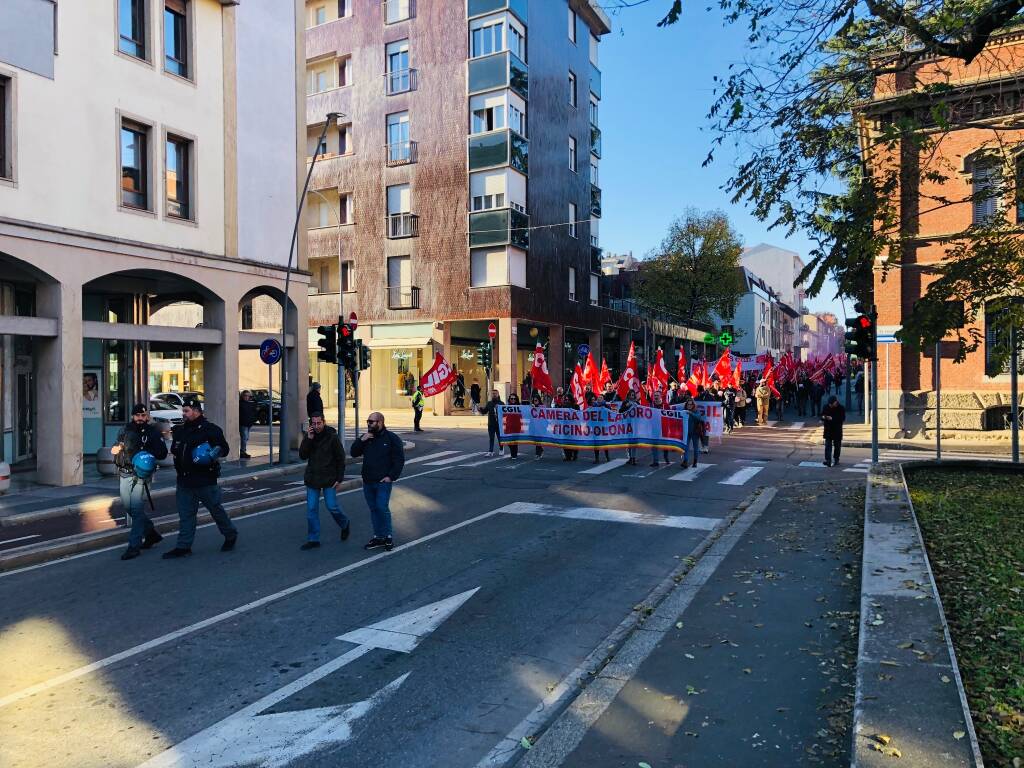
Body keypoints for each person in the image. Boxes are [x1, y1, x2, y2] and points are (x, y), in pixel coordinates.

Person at [162, 397, 236, 559]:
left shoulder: (210, 429)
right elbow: (175, 450)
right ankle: (184, 546)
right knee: (186, 515)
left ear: (197, 411)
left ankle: (230, 535)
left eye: (187, 411)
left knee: (216, 510)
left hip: (205, 480)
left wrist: (212, 454)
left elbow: (224, 448)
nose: (184, 414)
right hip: (184, 480)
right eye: (183, 411)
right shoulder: (180, 430)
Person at [114, 403, 169, 561]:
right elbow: (117, 447)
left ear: (147, 416)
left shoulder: (152, 431)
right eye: (137, 415)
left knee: (136, 508)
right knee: (128, 506)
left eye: (143, 415)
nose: (140, 418)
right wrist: (116, 451)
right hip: (125, 472)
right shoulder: (125, 430)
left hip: (142, 474)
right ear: (133, 416)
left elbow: (162, 453)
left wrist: (146, 454)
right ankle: (151, 534)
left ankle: (134, 546)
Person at [350, 412, 405, 551]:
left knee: (381, 507)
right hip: (368, 480)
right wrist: (362, 440)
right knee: (374, 509)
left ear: (380, 422)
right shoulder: (366, 437)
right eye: (368, 421)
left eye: (371, 422)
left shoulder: (391, 438)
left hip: (383, 481)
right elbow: (353, 452)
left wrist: (391, 477)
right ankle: (378, 536)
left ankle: (387, 536)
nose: (368, 424)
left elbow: (399, 459)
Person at [298, 412, 349, 549]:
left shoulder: (332, 437)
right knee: (311, 510)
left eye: (318, 423)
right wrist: (308, 439)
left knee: (332, 506)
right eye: (313, 424)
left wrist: (339, 478)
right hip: (313, 478)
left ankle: (344, 523)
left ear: (324, 422)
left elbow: (340, 458)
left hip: (329, 478)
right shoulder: (310, 436)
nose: (316, 426)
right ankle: (313, 539)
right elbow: (302, 455)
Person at [821, 395, 846, 466]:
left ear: (835, 402)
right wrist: (823, 417)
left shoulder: (841, 408)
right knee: (828, 446)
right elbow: (822, 415)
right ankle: (828, 460)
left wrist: (832, 418)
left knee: (837, 446)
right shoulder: (826, 407)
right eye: (830, 405)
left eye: (832, 404)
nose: (831, 406)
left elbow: (842, 418)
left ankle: (836, 459)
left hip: (837, 430)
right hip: (828, 429)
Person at [557, 387, 579, 461]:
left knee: (573, 442)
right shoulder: (562, 407)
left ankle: (575, 454)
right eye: (565, 400)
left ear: (571, 399)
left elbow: (579, 416)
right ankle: (568, 456)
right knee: (565, 441)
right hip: (565, 426)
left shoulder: (576, 406)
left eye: (567, 399)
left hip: (574, 427)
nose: (566, 401)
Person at [682, 400, 706, 468]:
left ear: (693, 405)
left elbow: (699, 417)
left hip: (695, 432)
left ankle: (695, 461)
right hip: (687, 432)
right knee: (686, 447)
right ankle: (685, 461)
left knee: (695, 447)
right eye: (688, 404)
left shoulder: (696, 411)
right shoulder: (684, 411)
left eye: (691, 404)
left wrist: (690, 413)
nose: (689, 406)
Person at [480, 389, 505, 456]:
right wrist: (481, 409)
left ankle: (501, 449)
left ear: (498, 394)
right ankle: (490, 451)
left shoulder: (501, 403)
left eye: (495, 394)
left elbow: (505, 414)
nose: (494, 395)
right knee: (491, 438)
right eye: (493, 394)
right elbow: (484, 412)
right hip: (491, 424)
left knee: (500, 438)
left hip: (499, 424)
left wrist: (499, 413)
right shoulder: (489, 403)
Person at [649, 391, 671, 466]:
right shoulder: (651, 405)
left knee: (665, 444)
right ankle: (655, 461)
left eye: (657, 395)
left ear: (660, 396)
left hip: (664, 428)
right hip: (654, 428)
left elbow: (671, 415)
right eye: (654, 395)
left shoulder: (666, 405)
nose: (656, 397)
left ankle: (666, 457)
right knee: (654, 444)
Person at [619, 390, 640, 465]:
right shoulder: (625, 402)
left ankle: (633, 458)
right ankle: (630, 457)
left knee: (633, 442)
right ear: (628, 395)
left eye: (633, 395)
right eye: (631, 395)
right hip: (627, 424)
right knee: (628, 442)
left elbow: (641, 412)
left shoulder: (637, 403)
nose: (632, 396)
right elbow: (620, 411)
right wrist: (626, 406)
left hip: (635, 425)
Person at [238, 390, 258, 459]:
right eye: (245, 395)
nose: (246, 397)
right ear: (242, 396)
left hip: (249, 424)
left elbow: (255, 410)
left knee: (246, 438)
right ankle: (242, 452)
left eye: (248, 396)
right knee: (244, 438)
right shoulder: (240, 403)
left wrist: (254, 420)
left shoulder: (251, 403)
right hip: (243, 424)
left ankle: (243, 451)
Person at [506, 393, 521, 458]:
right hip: (509, 425)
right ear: (509, 399)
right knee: (508, 441)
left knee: (515, 441)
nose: (513, 400)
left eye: (514, 399)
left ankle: (514, 454)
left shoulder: (519, 406)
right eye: (511, 398)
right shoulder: (506, 406)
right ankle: (513, 453)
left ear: (516, 399)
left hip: (517, 425)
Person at [530, 391, 545, 457]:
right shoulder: (531, 406)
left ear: (539, 400)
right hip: (533, 425)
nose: (535, 401)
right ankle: (540, 449)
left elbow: (544, 414)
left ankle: (538, 453)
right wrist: (532, 407)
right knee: (536, 440)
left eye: (536, 400)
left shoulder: (543, 407)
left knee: (539, 439)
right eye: (534, 400)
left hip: (541, 426)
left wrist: (536, 407)